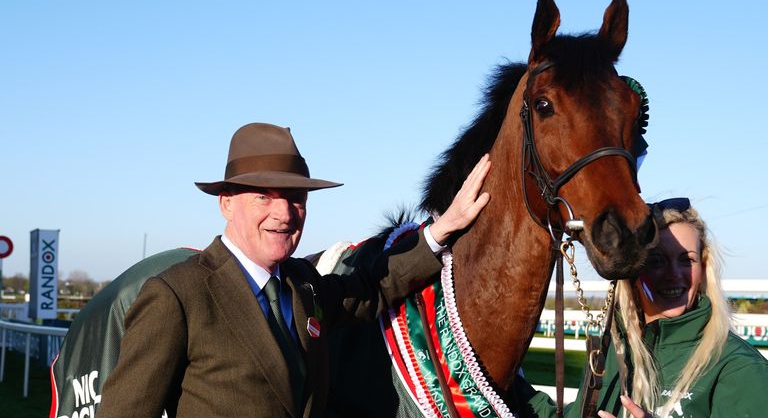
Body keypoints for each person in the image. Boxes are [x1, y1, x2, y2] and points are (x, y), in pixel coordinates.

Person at [96, 122, 491, 418]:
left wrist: (441, 229)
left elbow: (373, 288)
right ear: (226, 204)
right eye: (263, 196)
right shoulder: (177, 295)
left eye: (296, 198)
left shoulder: (304, 285)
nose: (284, 214)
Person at [517, 198, 768, 418]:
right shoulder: (614, 350)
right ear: (635, 270)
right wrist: (494, 379)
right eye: (657, 260)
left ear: (703, 269)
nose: (673, 274)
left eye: (687, 260)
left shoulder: (739, 367)